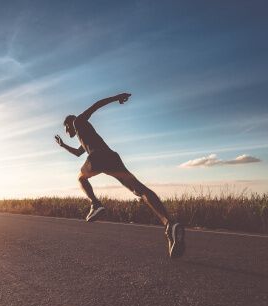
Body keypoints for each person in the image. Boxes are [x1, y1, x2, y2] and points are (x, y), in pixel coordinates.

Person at [55, 93, 185, 259]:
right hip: (111, 158)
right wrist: (63, 145)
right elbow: (77, 153)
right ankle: (169, 224)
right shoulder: (83, 136)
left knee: (81, 178)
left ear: (68, 125)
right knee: (139, 190)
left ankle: (95, 204)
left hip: (98, 156)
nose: (66, 132)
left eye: (65, 129)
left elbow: (96, 105)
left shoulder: (77, 121)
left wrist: (118, 97)